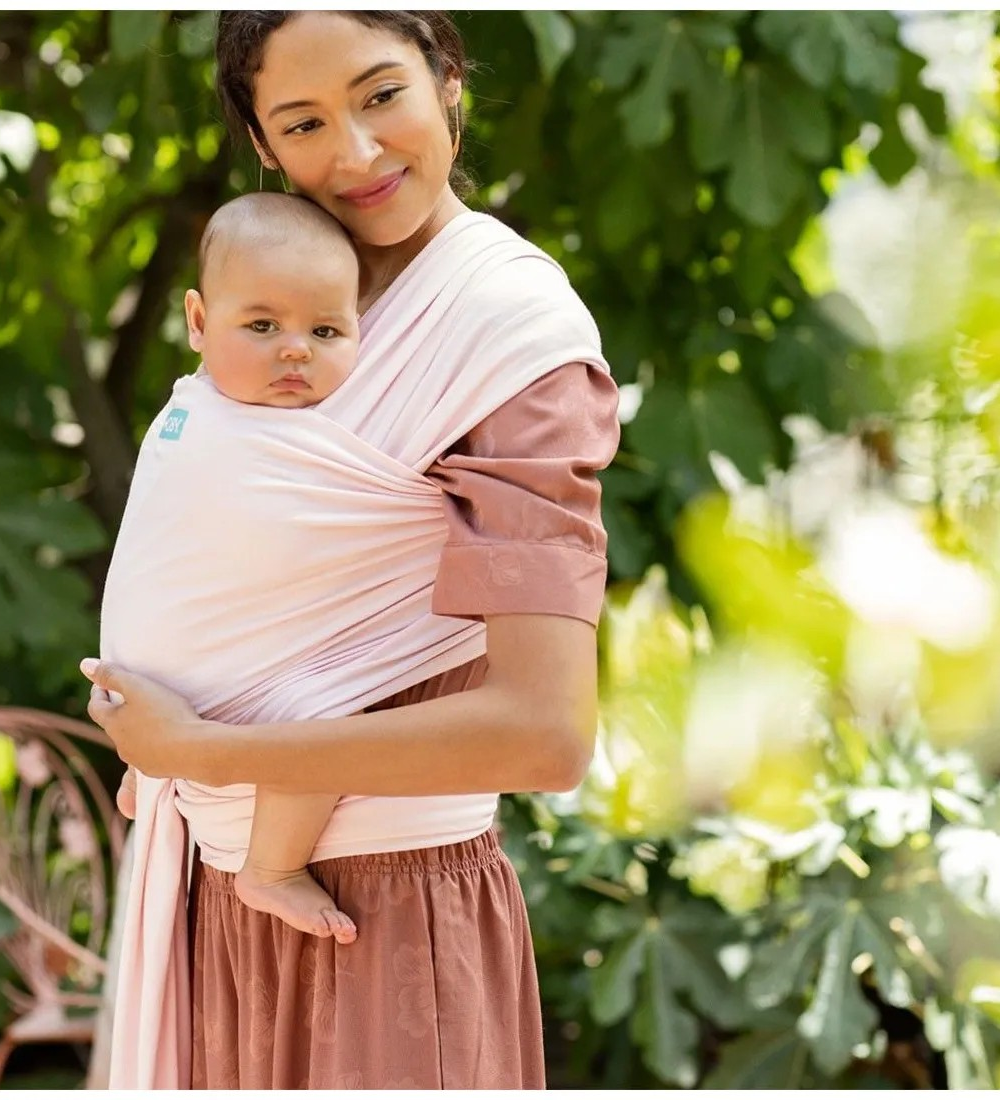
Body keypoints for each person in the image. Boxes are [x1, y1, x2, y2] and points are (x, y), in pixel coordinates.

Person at [83, 10, 620, 1091]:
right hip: (215, 899)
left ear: (448, 81)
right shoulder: (284, 298)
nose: (358, 152)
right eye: (305, 121)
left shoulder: (507, 339)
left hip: (380, 918)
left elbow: (544, 734)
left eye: (381, 96)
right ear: (263, 146)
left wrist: (204, 750)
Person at [114, 190, 368, 944]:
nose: (296, 350)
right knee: (329, 719)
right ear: (197, 322)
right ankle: (273, 866)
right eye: (262, 326)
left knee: (320, 715)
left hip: (155, 669)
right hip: (189, 669)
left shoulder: (188, 407)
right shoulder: (233, 422)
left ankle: (147, 768)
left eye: (326, 330)